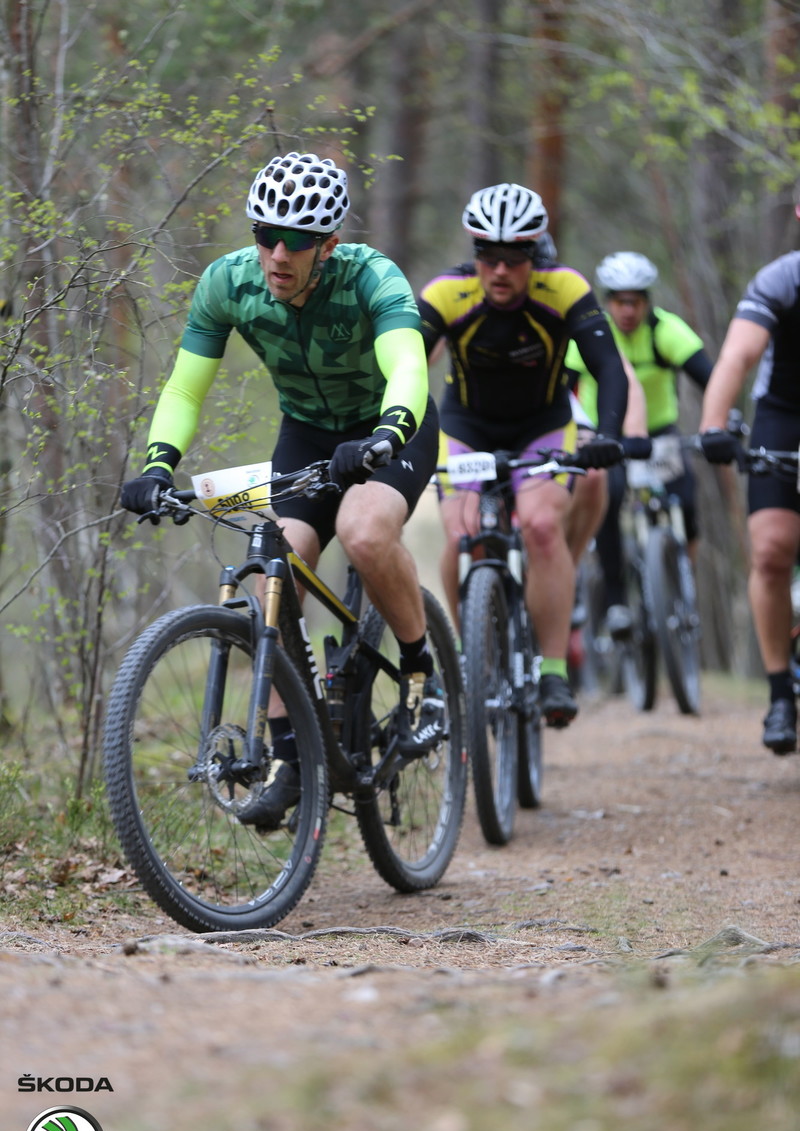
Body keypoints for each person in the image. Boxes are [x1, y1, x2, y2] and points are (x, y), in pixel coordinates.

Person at [120, 150, 443, 828]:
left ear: (329, 245)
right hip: (308, 434)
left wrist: (388, 431)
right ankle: (291, 757)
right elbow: (185, 387)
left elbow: (408, 366)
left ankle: (421, 669)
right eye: (265, 235)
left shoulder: (371, 277)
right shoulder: (227, 283)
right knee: (277, 567)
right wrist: (157, 466)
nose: (277, 253)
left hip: (390, 427)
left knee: (362, 531)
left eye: (296, 240)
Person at [417, 183, 628, 729]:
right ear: (474, 253)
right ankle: (465, 652)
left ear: (535, 255)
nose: (500, 270)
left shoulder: (564, 289)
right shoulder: (447, 293)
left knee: (540, 526)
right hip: (466, 425)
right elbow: (406, 365)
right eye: (488, 256)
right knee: (461, 533)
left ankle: (553, 668)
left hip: (542, 425)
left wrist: (607, 433)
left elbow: (608, 365)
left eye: (514, 258)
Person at [565, 252, 714, 638]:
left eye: (635, 301)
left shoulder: (667, 330)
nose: (627, 310)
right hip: (607, 437)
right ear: (607, 301)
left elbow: (710, 378)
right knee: (609, 497)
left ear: (648, 301)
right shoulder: (594, 333)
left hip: (659, 435)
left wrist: (720, 420)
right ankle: (616, 601)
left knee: (687, 499)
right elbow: (564, 388)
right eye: (619, 301)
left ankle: (681, 580)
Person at [699, 208, 800, 756]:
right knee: (771, 550)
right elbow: (738, 355)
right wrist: (714, 426)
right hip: (785, 413)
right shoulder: (782, 278)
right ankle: (781, 693)